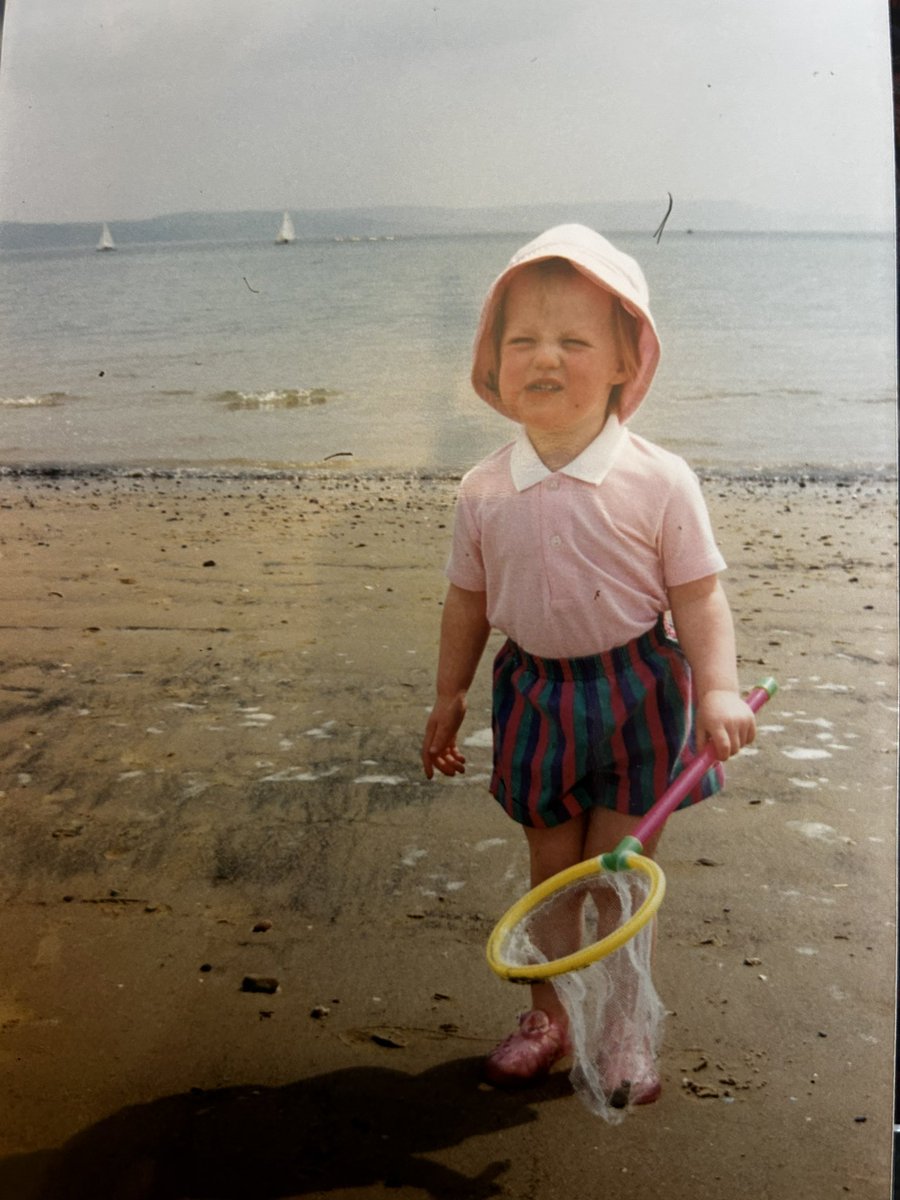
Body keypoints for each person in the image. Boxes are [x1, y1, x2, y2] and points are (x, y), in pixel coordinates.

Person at [420, 224, 757, 1101]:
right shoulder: (484, 488)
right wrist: (449, 695)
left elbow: (698, 596)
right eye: (522, 340)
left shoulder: (660, 479)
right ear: (491, 364)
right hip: (537, 695)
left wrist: (718, 686)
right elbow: (467, 601)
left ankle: (622, 1031)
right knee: (552, 878)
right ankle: (546, 1019)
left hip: (641, 691)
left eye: (574, 341)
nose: (545, 358)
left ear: (623, 362)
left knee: (620, 878)